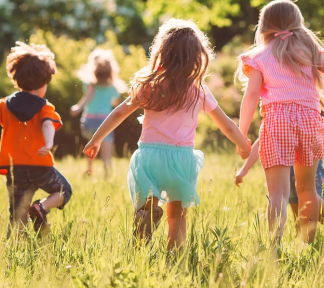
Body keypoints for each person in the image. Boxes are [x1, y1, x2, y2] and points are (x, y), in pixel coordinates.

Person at [83, 18, 251, 249]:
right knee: (177, 216)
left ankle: (144, 230)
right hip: (181, 159)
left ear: (162, 52)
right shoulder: (198, 89)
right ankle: (173, 256)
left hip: (150, 157)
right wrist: (243, 144)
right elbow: (227, 126)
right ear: (196, 56)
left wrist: (96, 139)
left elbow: (118, 114)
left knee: (147, 204)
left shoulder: (149, 85)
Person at [236, 0, 324, 244]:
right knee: (307, 190)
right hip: (311, 121)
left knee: (277, 194)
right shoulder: (308, 49)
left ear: (263, 26)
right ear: (297, 22)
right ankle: (307, 244)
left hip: (278, 122)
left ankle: (273, 249)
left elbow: (250, 97)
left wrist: (242, 134)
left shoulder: (257, 57)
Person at [0, 42, 72, 234]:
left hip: (14, 169)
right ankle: (41, 207)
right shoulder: (45, 107)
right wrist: (49, 142)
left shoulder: (2, 105)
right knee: (64, 191)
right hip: (41, 165)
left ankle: (15, 248)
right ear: (44, 83)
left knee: (17, 216)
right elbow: (47, 124)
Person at [235, 94, 324, 228]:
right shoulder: (302, 116)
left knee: (322, 217)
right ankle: (304, 244)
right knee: (304, 219)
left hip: (310, 171)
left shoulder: (313, 120)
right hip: (293, 172)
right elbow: (260, 144)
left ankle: (311, 203)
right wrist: (244, 170)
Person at [71, 49, 125, 178]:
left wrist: (78, 108)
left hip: (88, 121)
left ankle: (89, 168)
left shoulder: (89, 85)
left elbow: (88, 96)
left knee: (91, 145)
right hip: (104, 122)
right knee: (106, 152)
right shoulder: (113, 87)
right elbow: (115, 103)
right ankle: (107, 175)